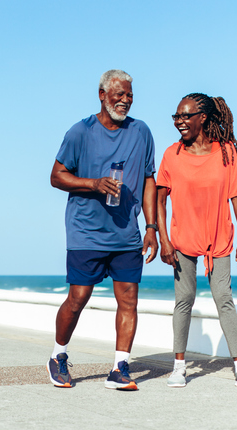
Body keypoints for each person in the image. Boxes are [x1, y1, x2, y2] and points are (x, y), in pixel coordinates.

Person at [47, 69, 158, 390]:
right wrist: (93, 183)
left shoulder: (141, 132)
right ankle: (58, 356)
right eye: (118, 95)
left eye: (129, 96)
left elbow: (150, 179)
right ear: (102, 95)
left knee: (129, 300)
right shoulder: (80, 132)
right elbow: (56, 176)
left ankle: (120, 367)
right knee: (78, 298)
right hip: (86, 231)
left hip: (126, 234)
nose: (125, 101)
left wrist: (151, 226)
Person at [156, 93, 237, 390]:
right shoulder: (171, 155)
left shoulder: (226, 152)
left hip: (219, 238)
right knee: (184, 301)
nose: (179, 122)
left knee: (223, 300)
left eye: (185, 116)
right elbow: (159, 199)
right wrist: (163, 238)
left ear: (202, 117)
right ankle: (179, 367)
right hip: (182, 240)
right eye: (176, 117)